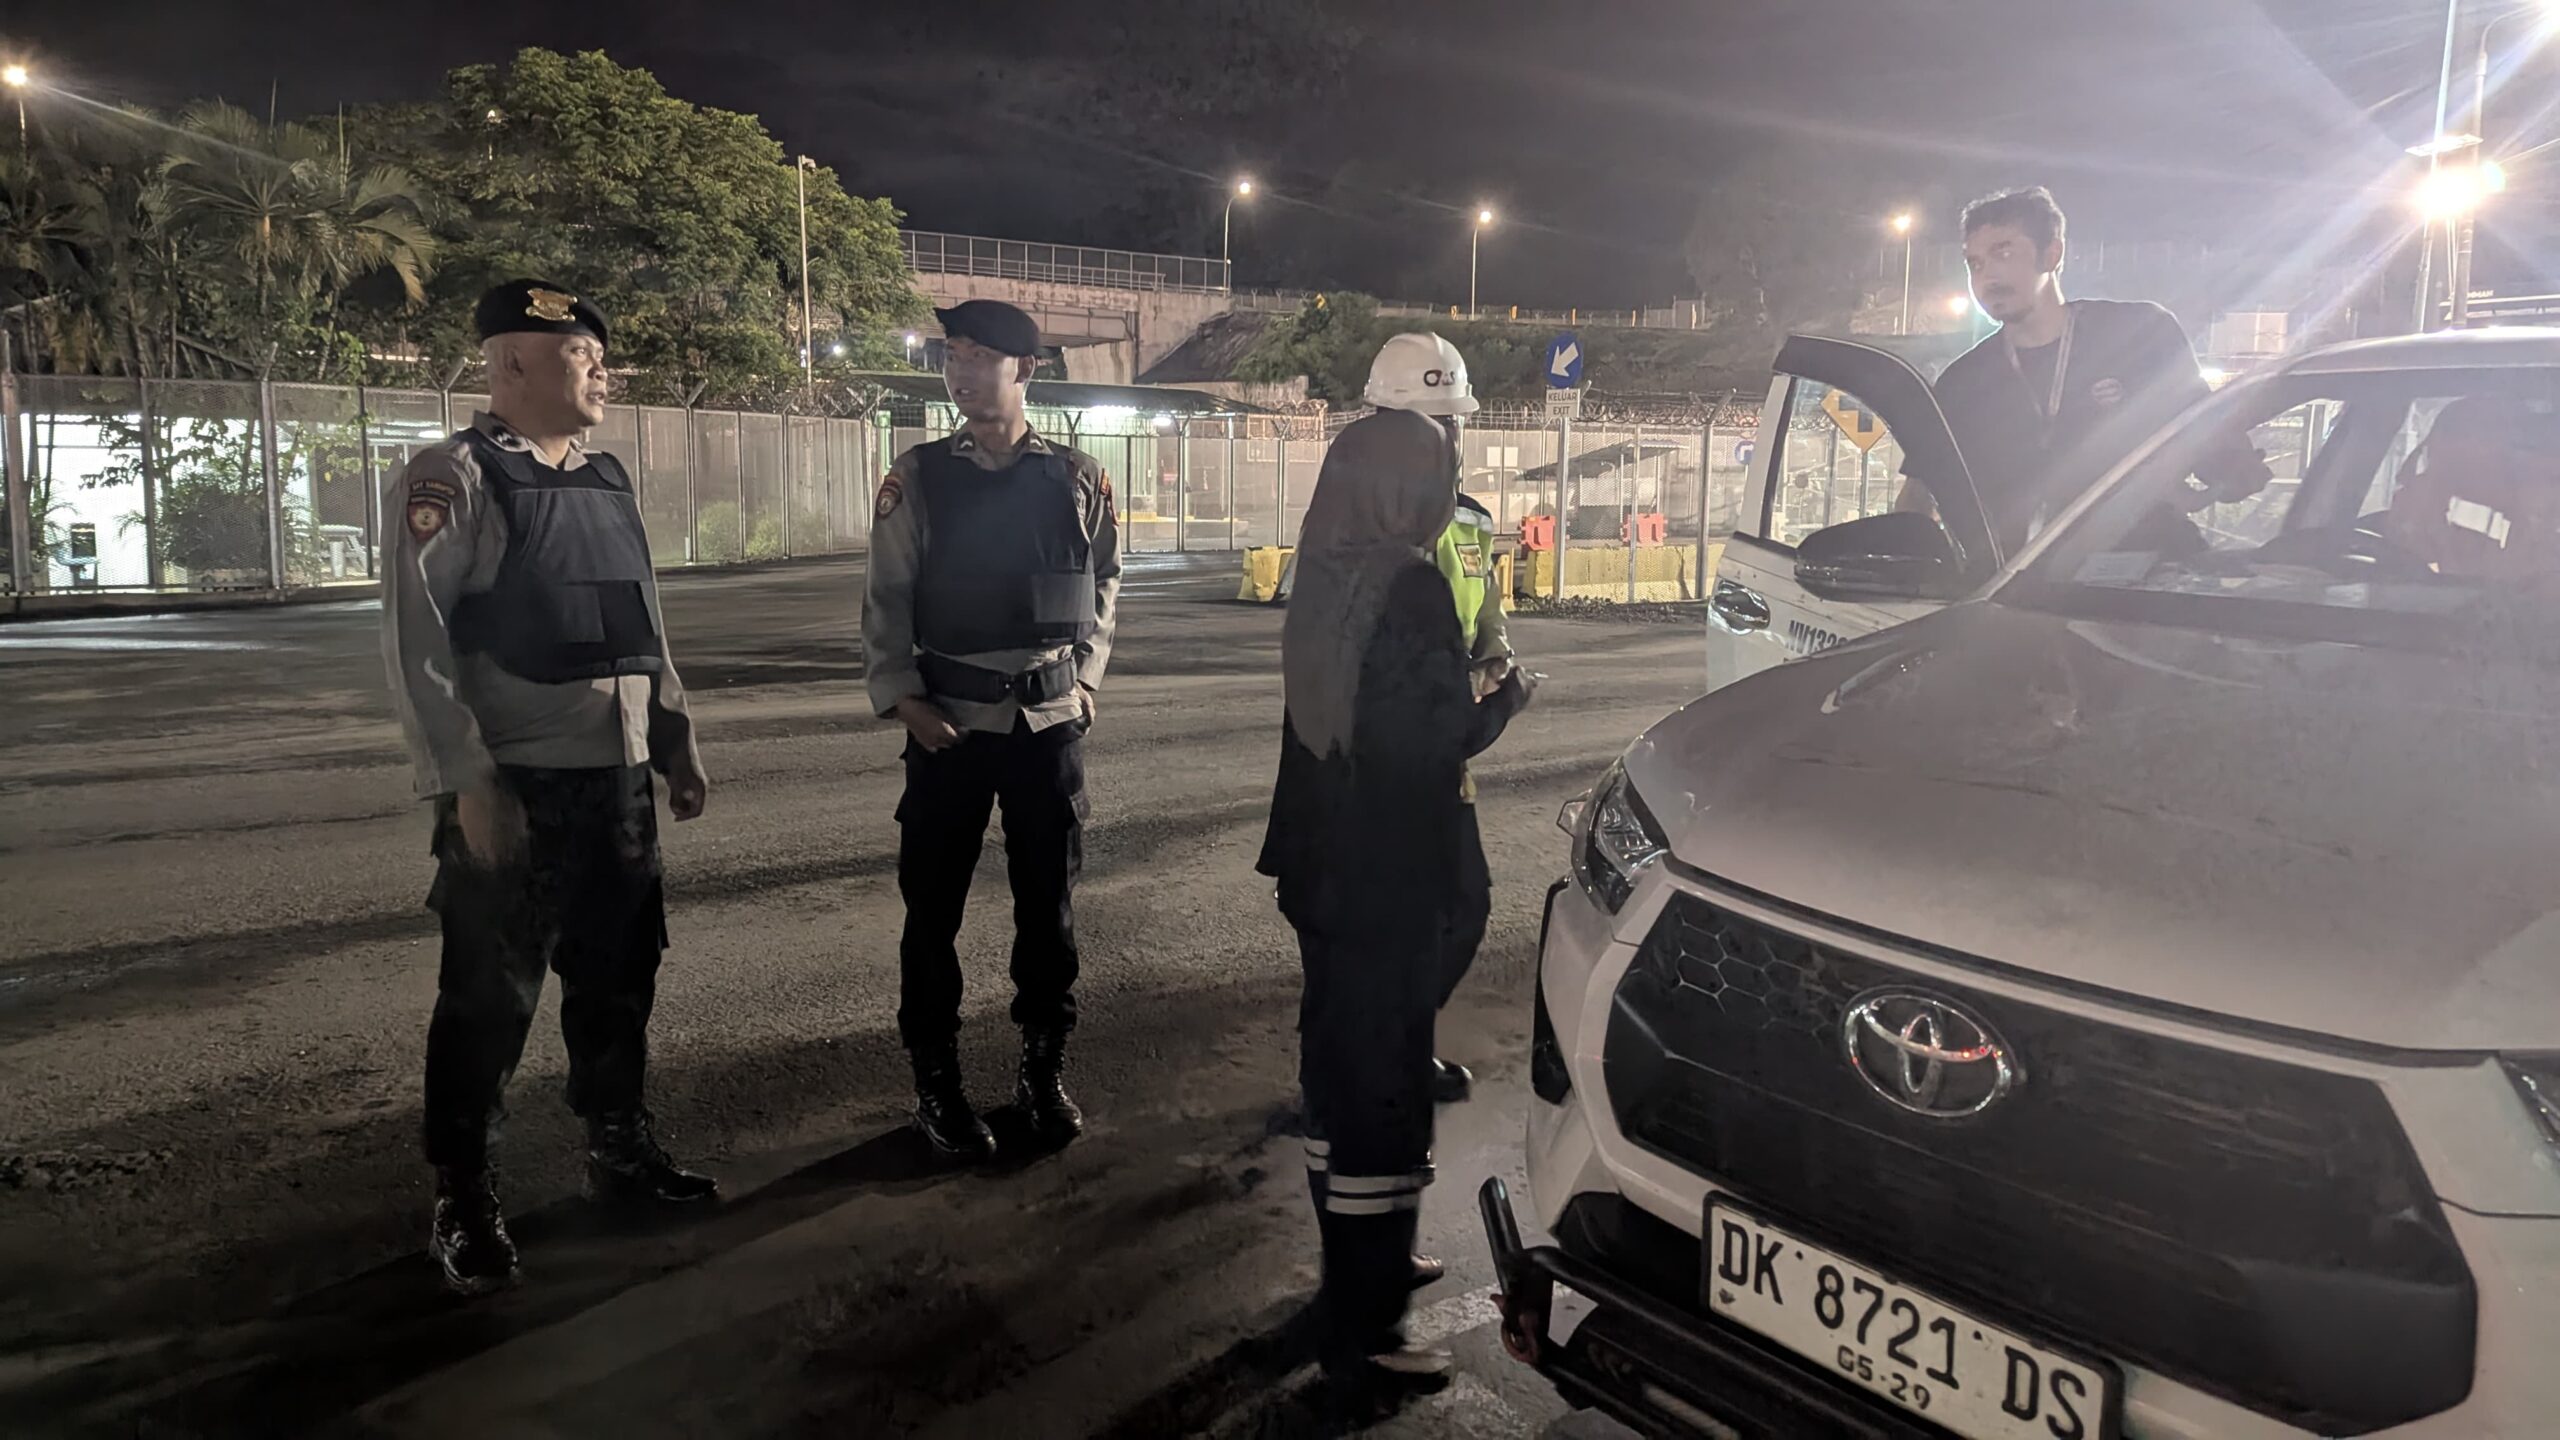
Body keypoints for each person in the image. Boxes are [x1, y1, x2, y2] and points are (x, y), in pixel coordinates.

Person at [382, 280, 717, 1298]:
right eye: (582, 353)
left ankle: (618, 1149)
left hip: (616, 781)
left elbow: (641, 622)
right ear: (513, 363)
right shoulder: (454, 476)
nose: (603, 369)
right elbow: (416, 643)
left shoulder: (608, 478)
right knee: (487, 1001)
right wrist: (465, 781)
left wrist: (674, 738)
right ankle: (463, 1195)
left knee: (619, 982)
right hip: (515, 788)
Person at [1258, 407, 1536, 1406]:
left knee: (1336, 1071)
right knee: (1382, 1092)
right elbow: (1430, 744)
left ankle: (1358, 1269)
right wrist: (1505, 702)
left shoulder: (1323, 573)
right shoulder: (1409, 586)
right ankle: (1366, 1331)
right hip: (1386, 872)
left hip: (1319, 862)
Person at [864, 299, 1122, 1161]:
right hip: (952, 727)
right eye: (952, 355)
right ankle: (936, 1083)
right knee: (932, 913)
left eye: (979, 356)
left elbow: (1105, 580)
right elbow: (886, 596)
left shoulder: (1078, 476)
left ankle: (1042, 1070)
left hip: (1048, 725)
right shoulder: (920, 475)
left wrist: (1086, 679)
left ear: (1026, 370)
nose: (960, 371)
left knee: (1048, 911)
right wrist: (902, 698)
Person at [1906, 186, 2267, 554]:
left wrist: (2234, 471)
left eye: (2004, 253)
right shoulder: (1963, 381)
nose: (1987, 276)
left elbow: (2208, 442)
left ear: (2052, 254)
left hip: (2148, 568)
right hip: (2018, 579)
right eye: (1975, 264)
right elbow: (1918, 497)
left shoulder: (2140, 332)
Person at [1361, 332, 1511, 1107]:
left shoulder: (1474, 523)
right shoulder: (1355, 531)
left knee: (1462, 907)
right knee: (1381, 921)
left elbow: (1489, 622)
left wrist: (1496, 664)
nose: (1444, 437)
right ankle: (1361, 1061)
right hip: (1376, 766)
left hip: (1445, 760)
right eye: (1426, 423)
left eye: (1451, 421)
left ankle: (1396, 1041)